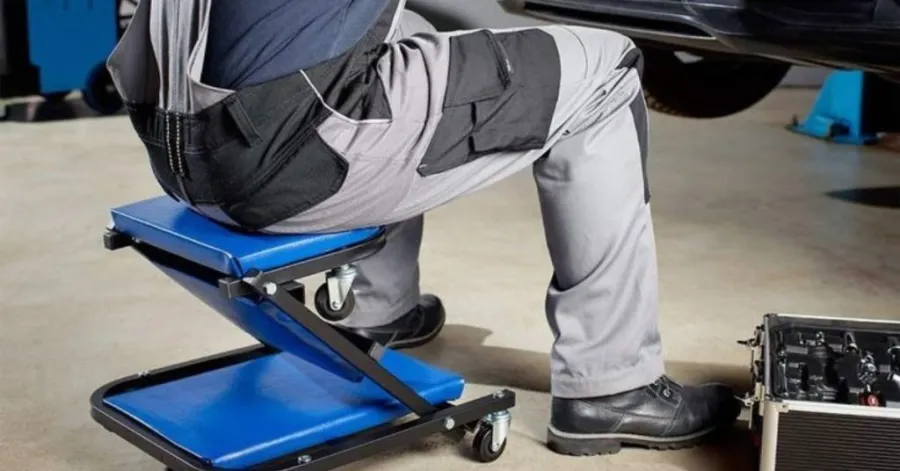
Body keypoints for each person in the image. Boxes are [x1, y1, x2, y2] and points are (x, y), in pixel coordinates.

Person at [106, 0, 740, 457]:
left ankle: (380, 309)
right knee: (608, 66)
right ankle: (613, 384)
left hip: (184, 148)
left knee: (411, 30)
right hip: (286, 162)